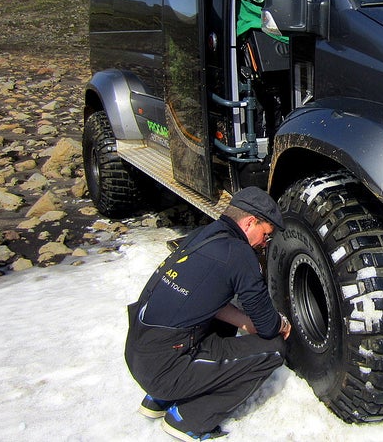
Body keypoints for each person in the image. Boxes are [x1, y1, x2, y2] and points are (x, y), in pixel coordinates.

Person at [124, 187, 291, 441]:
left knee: (218, 301)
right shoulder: (240, 254)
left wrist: (245, 322)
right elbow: (268, 327)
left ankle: (159, 399)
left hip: (139, 352)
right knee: (274, 349)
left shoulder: (202, 235)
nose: (264, 243)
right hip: (164, 368)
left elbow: (205, 301)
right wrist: (282, 322)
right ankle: (188, 418)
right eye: (265, 235)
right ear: (249, 222)